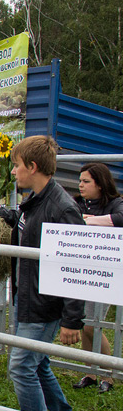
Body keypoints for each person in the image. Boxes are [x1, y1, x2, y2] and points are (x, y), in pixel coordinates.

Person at [0, 135, 83, 411]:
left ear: (32, 167)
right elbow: (22, 222)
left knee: (21, 366)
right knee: (38, 364)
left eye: (17, 166)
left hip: (44, 305)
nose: (14, 172)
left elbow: (74, 266)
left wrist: (72, 320)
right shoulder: (36, 200)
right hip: (27, 297)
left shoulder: (63, 209)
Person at [71, 162, 123, 393]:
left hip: (106, 273)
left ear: (100, 185)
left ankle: (110, 375)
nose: (80, 185)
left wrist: (88, 220)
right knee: (85, 324)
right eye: (80, 180)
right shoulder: (77, 202)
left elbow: (120, 219)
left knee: (94, 325)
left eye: (86, 181)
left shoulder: (116, 204)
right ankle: (90, 374)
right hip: (82, 270)